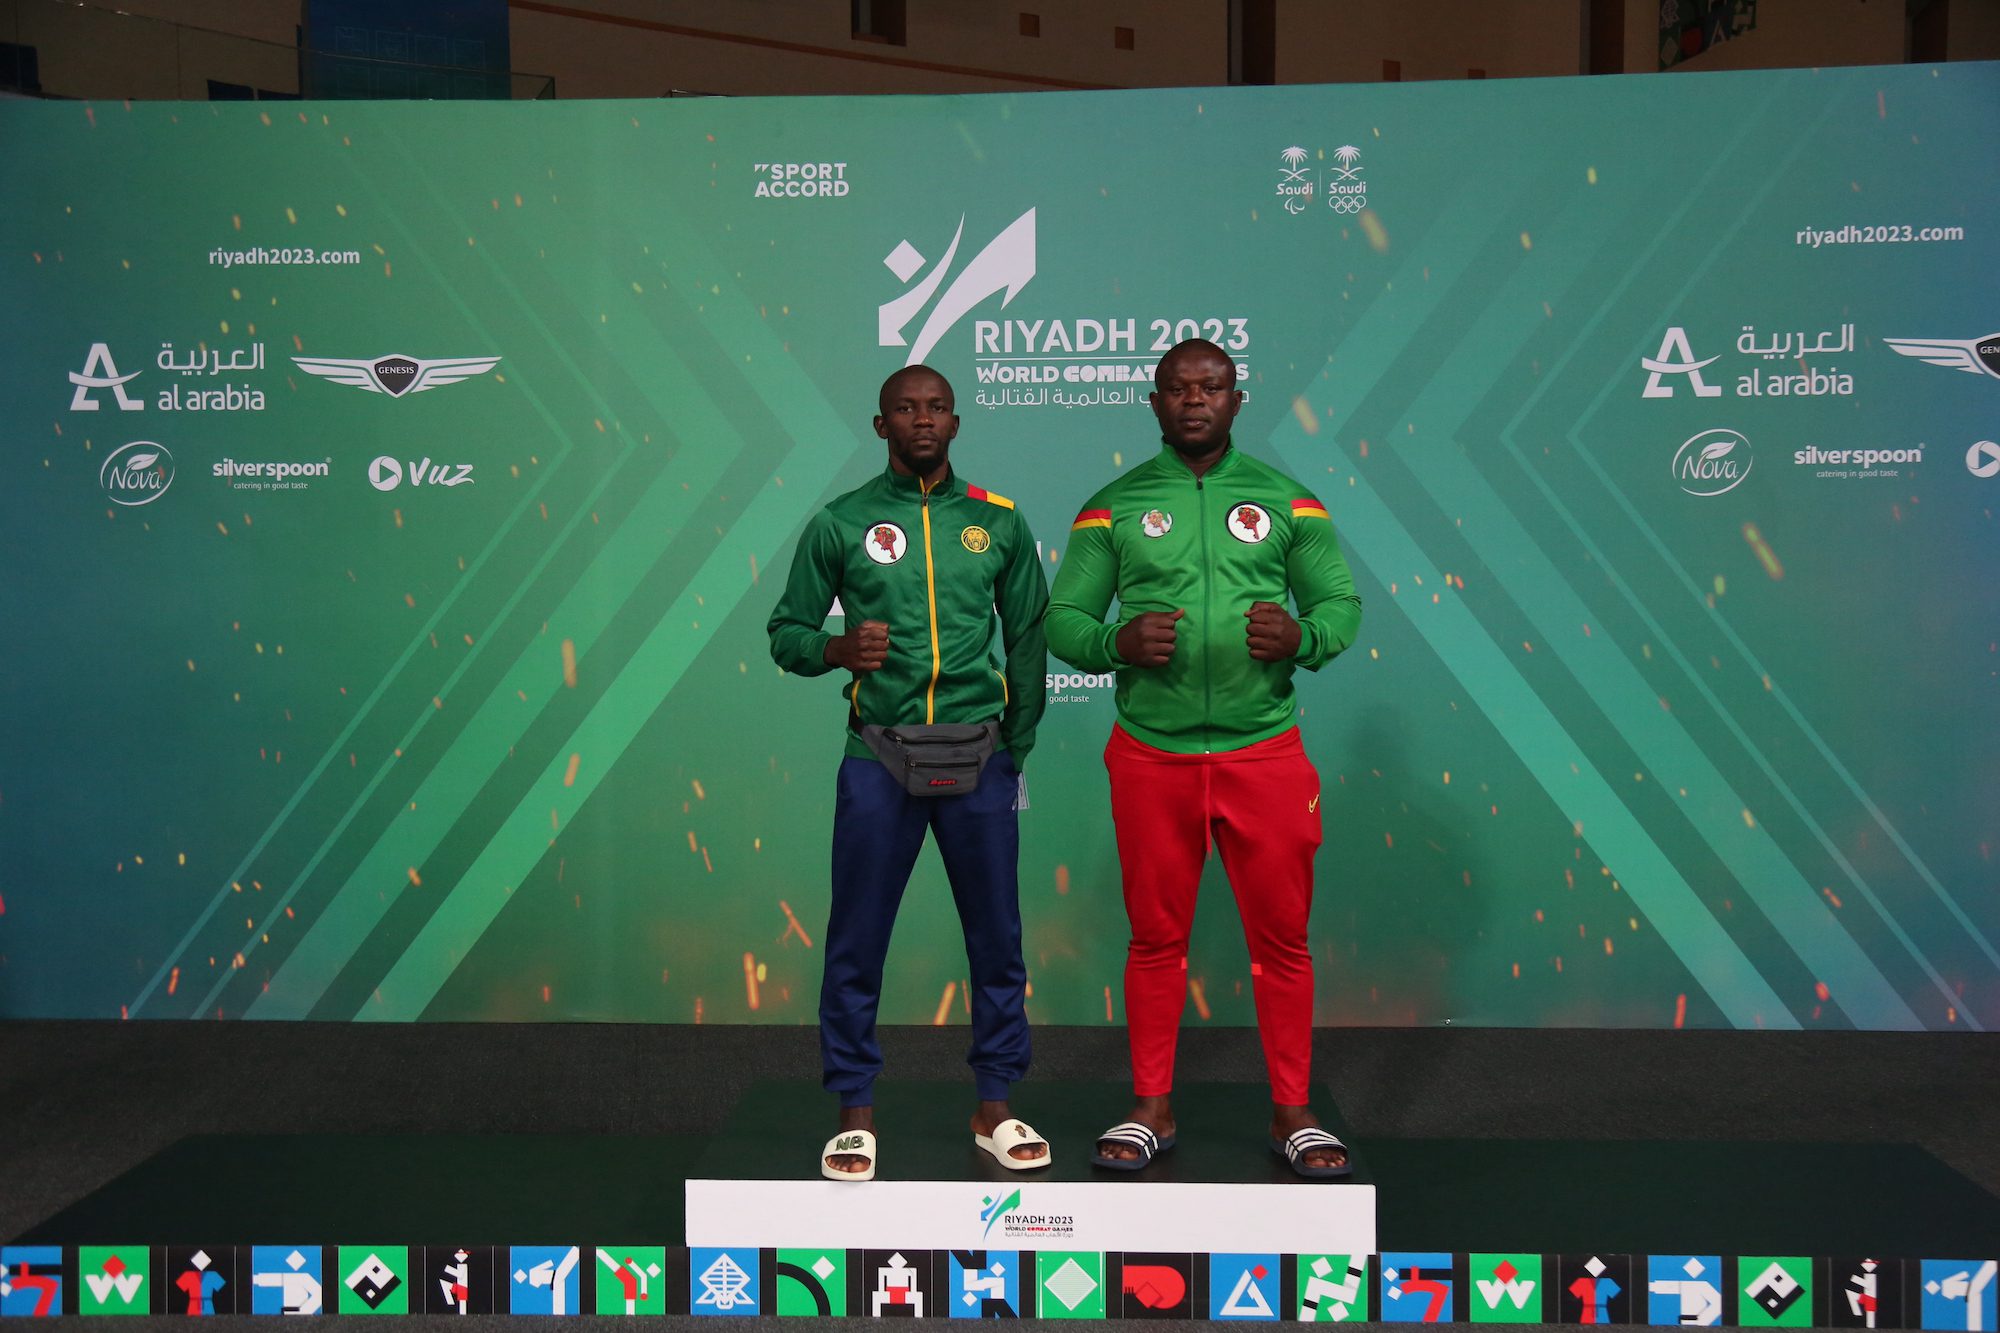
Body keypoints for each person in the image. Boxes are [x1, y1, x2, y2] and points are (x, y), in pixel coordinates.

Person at [1045, 338, 1363, 1178]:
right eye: (1178, 389)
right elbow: (1063, 620)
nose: (1195, 400)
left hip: (1265, 754)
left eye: (1211, 387)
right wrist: (1116, 642)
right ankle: (1151, 1107)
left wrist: (1304, 635)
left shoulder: (1289, 501)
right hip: (1153, 758)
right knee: (1155, 939)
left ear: (1236, 399)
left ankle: (1293, 1113)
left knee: (1283, 940)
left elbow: (1339, 603)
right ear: (1154, 402)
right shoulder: (1113, 506)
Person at [768, 364, 1053, 1182]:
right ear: (880, 424)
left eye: (936, 408)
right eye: (905, 408)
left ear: (956, 423)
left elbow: (1027, 638)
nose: (922, 420)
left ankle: (994, 1105)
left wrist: (1013, 745)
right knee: (856, 939)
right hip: (878, 758)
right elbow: (786, 632)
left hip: (979, 755)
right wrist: (834, 647)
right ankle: (854, 1112)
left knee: (998, 939)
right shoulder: (841, 521)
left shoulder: (997, 520)